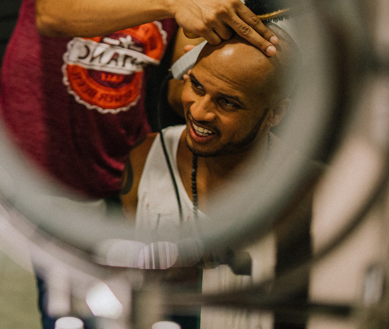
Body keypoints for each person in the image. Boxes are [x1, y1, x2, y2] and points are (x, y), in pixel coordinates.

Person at [0, 0, 278, 328]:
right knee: (70, 308)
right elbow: (54, 10)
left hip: (124, 161)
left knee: (142, 307)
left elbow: (176, 87)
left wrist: (233, 79)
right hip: (45, 162)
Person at [120, 27, 295, 329]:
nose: (199, 112)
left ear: (276, 113)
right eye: (198, 86)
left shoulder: (308, 189)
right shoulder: (144, 159)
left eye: (228, 102)